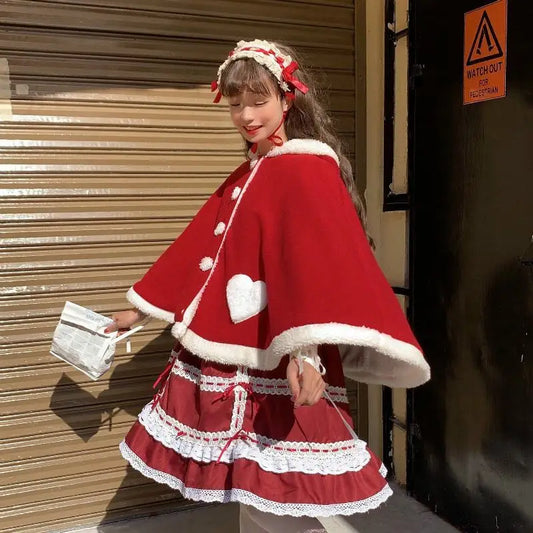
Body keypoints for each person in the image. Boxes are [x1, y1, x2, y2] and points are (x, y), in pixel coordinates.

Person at [106, 39, 430, 532]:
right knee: (251, 487)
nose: (246, 115)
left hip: (280, 355)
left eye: (258, 101)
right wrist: (138, 310)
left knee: (281, 490)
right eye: (236, 104)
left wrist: (307, 354)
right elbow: (201, 246)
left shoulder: (305, 167)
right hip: (239, 351)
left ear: (287, 98)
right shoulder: (251, 171)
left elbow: (311, 267)